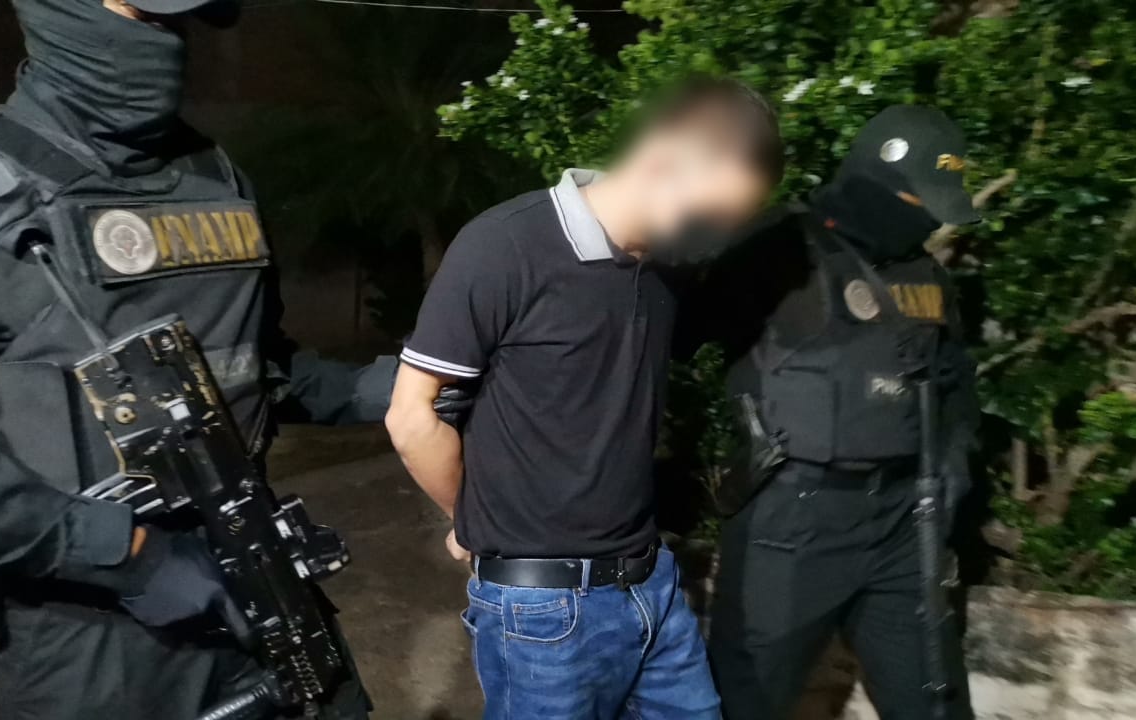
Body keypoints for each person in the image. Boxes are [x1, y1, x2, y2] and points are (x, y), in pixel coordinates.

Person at [0, 1, 408, 718]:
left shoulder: (217, 175)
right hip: (90, 639)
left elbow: (259, 370)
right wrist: (127, 554)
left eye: (179, 24)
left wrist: (395, 387)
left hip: (261, 583)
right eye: (142, 12)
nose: (164, 42)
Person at [385, 78, 783, 720]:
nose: (715, 237)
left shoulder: (665, 269)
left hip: (653, 585)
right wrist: (468, 518)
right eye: (712, 215)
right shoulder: (506, 244)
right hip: (542, 614)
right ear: (660, 160)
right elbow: (413, 416)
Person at [696, 105, 981, 720]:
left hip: (904, 521)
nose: (929, 221)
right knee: (740, 703)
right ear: (877, 184)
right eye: (920, 203)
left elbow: (953, 380)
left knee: (936, 703)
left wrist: (954, 465)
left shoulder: (925, 273)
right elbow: (664, 335)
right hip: (793, 517)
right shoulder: (774, 249)